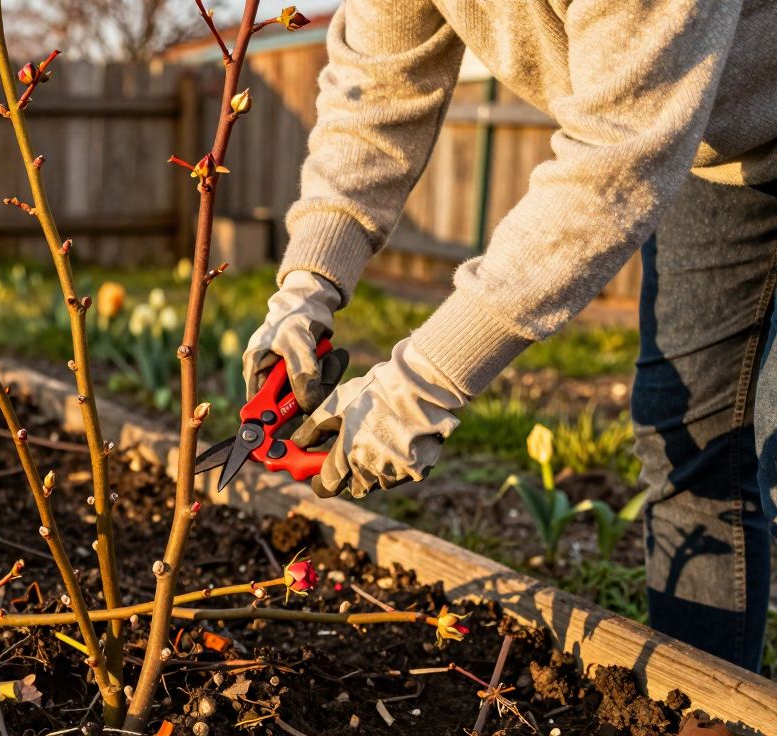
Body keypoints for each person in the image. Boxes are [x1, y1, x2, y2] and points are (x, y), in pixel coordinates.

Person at [243, 0, 777, 672]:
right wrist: (308, 283)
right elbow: (375, 93)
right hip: (713, 143)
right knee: (691, 443)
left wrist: (426, 380)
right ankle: (716, 704)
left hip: (661, 128)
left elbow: (614, 162)